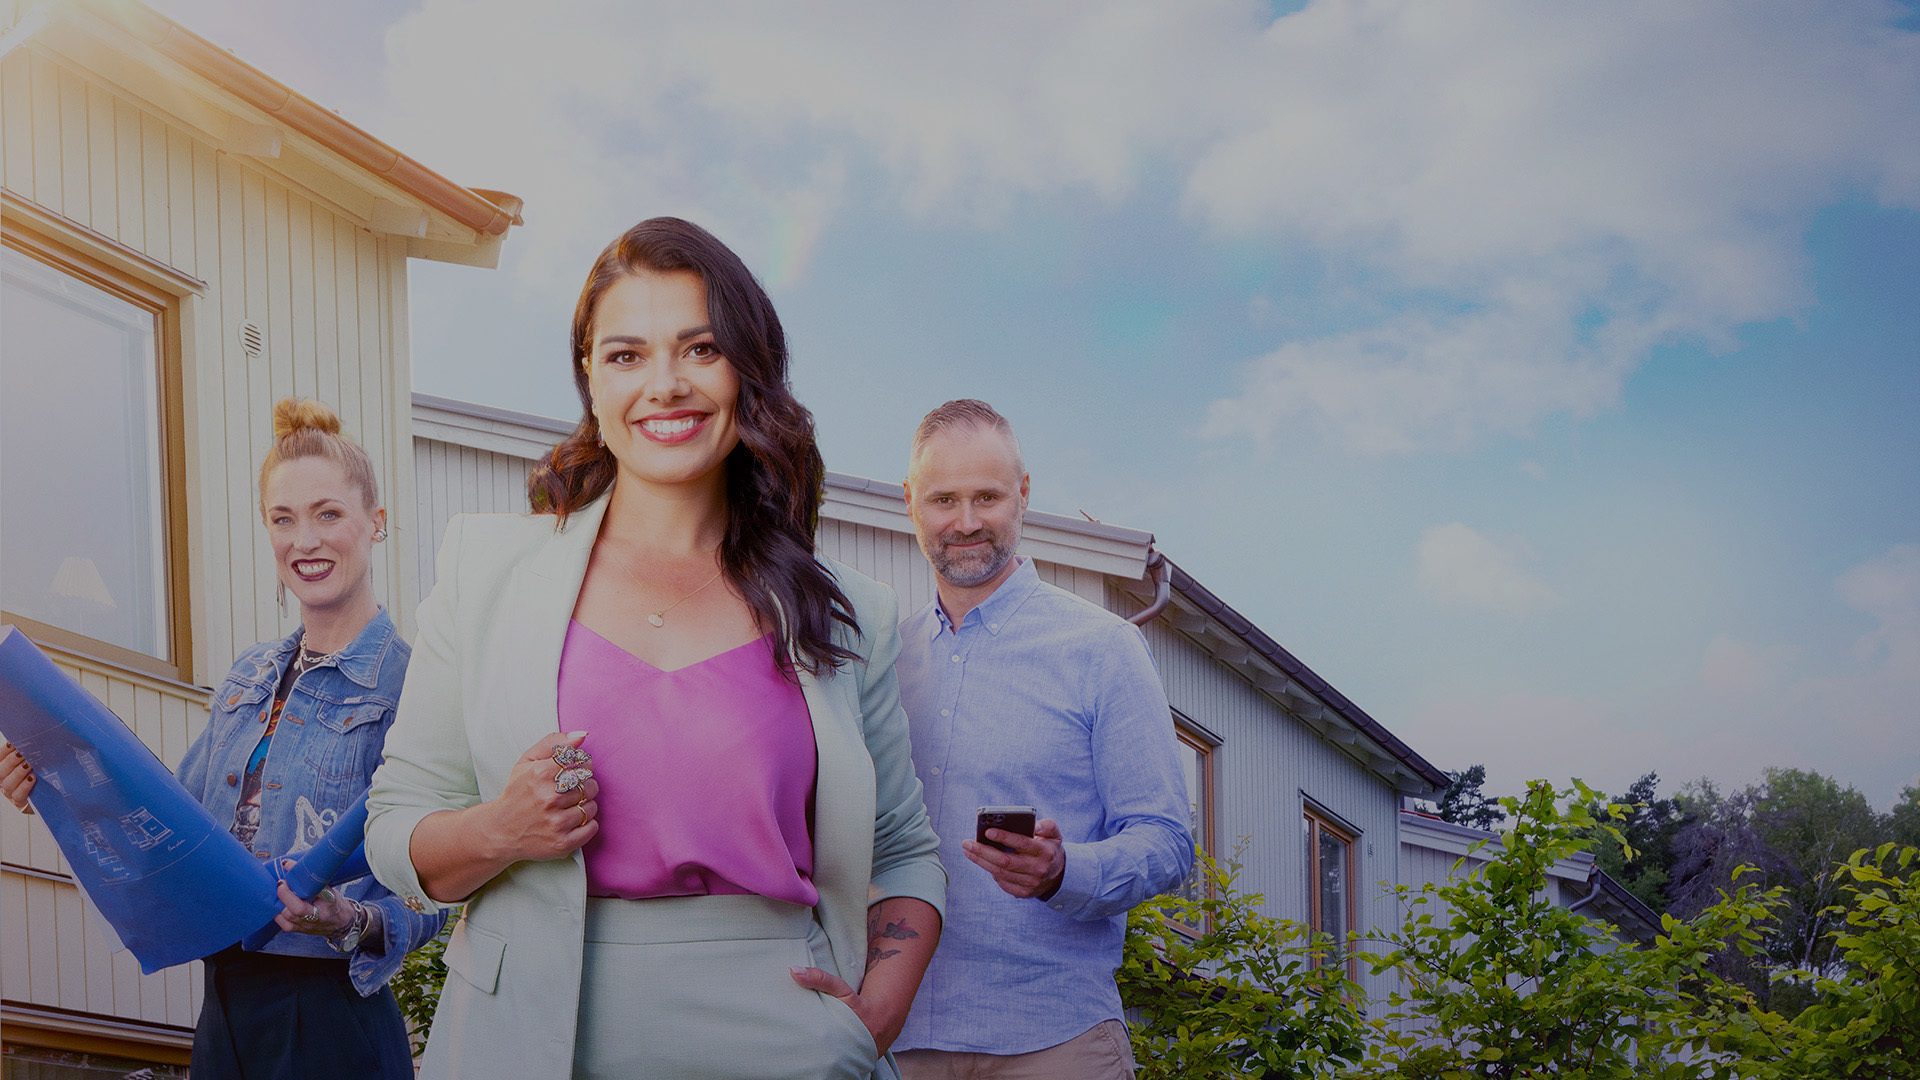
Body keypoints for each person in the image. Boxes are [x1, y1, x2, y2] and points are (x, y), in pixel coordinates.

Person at [363, 216, 946, 1080]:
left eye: (700, 349)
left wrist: (875, 1013)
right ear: (590, 382)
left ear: (749, 372)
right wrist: (502, 828)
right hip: (527, 1037)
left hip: (784, 1042)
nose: (664, 385)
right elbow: (396, 829)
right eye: (626, 355)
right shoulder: (485, 569)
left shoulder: (848, 613)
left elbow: (902, 850)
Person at [2, 398, 446, 1079]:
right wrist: (55, 774)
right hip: (224, 1010)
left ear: (375, 523)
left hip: (331, 1018)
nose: (305, 541)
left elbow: (434, 887)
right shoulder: (249, 675)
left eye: (328, 514)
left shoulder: (412, 688)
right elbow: (166, 821)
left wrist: (346, 918)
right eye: (283, 518)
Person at [891, 399, 1194, 1079]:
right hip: (898, 1040)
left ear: (1022, 495)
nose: (966, 522)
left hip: (1055, 1043)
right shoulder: (880, 661)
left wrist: (1064, 872)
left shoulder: (1102, 648)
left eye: (987, 497)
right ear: (910, 502)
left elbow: (1168, 841)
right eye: (944, 499)